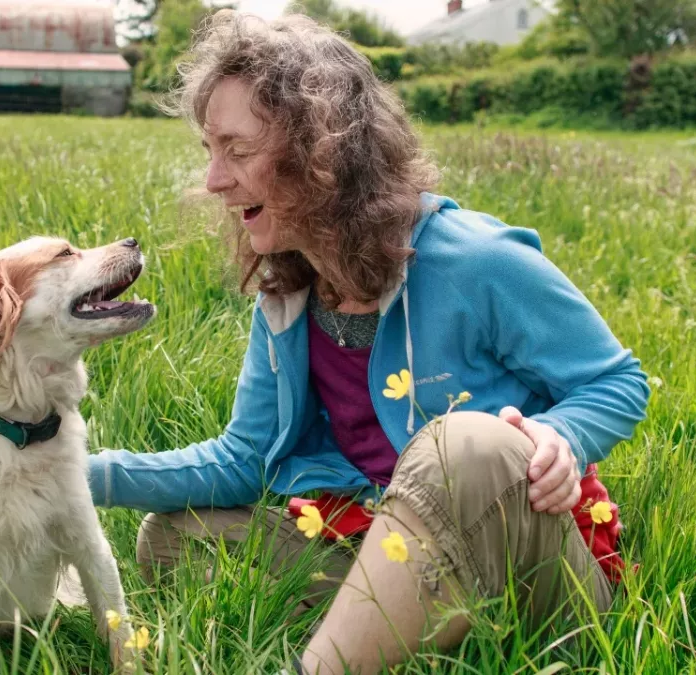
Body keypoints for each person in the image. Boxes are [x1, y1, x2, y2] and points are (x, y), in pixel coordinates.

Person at [88, 11, 649, 674]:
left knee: (462, 442)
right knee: (176, 538)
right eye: (209, 152)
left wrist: (562, 436)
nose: (213, 179)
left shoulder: (476, 260)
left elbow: (617, 381)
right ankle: (407, 636)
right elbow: (243, 460)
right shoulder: (288, 294)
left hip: (533, 575)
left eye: (236, 151)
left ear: (320, 149)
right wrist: (69, 471)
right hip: (384, 541)